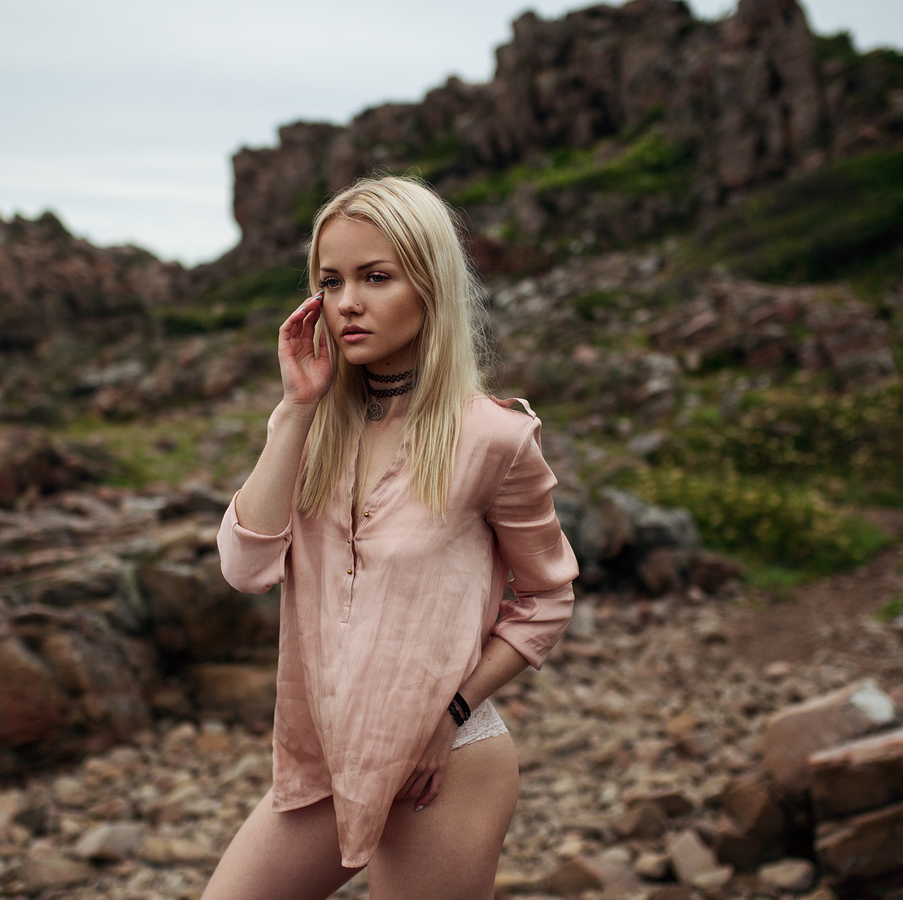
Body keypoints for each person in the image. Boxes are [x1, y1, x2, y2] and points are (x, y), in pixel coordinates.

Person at [204, 175, 578, 900]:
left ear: (429, 285)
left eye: (376, 277)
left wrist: (452, 713)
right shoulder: (311, 430)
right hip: (326, 763)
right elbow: (246, 569)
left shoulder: (494, 437)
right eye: (331, 280)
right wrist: (293, 411)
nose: (347, 303)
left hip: (446, 764)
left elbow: (545, 599)